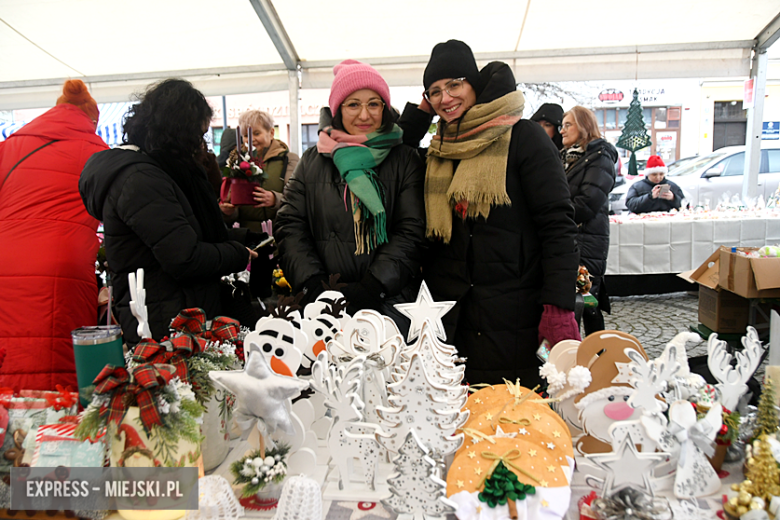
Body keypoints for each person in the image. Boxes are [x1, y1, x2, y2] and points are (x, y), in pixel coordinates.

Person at [398, 40, 580, 386]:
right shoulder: (440, 147)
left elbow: (558, 225)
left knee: (516, 419)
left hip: (516, 314)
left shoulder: (523, 137)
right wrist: (422, 113)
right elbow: (398, 154)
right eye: (434, 91)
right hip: (453, 317)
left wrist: (558, 305)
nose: (445, 98)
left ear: (475, 84)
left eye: (454, 84)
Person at [80, 79, 256, 345]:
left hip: (175, 311)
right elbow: (184, 257)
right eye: (197, 135)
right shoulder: (141, 179)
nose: (201, 144)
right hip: (165, 323)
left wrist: (242, 239)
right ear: (178, 132)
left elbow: (181, 230)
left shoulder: (159, 170)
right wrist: (238, 254)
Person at [275, 60, 425, 328]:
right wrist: (314, 286)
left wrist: (374, 286)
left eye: (374, 104)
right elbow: (290, 225)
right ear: (338, 110)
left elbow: (411, 230)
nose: (364, 115)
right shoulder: (313, 160)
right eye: (353, 104)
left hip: (388, 302)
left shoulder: (405, 159)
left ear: (385, 108)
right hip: (321, 308)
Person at [0, 80, 108, 391]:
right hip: (65, 263)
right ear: (91, 119)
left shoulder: (10, 146)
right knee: (57, 358)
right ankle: (57, 429)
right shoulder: (98, 151)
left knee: (11, 353)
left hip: (6, 261)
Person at [559, 106, 617, 336]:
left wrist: (553, 214)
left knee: (586, 303)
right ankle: (572, 356)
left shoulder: (600, 157)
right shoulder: (566, 158)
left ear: (584, 126)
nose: (562, 130)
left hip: (586, 244)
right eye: (562, 125)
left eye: (568, 125)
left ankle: (597, 355)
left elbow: (588, 203)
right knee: (577, 304)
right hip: (571, 241)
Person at [219, 111, 299, 233]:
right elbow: (233, 203)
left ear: (271, 133)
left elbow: (298, 198)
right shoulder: (236, 161)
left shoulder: (288, 159)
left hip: (281, 233)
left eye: (256, 133)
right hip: (248, 237)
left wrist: (275, 199)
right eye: (246, 135)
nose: (251, 139)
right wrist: (228, 211)